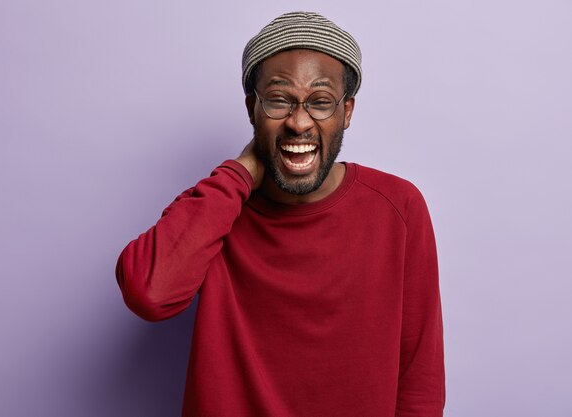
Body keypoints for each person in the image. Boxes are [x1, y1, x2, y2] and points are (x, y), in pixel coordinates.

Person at [116, 11, 445, 417]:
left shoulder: (399, 207)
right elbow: (149, 293)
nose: (299, 122)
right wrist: (241, 172)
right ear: (252, 107)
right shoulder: (216, 210)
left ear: (347, 112)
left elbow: (420, 381)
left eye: (321, 102)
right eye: (278, 100)